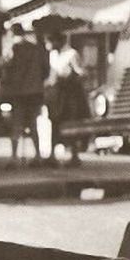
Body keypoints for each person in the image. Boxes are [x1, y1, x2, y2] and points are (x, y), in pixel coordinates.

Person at [0, 23, 50, 168]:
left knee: (17, 124)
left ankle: (14, 158)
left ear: (11, 33)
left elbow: (4, 68)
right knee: (33, 124)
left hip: (18, 91)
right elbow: (45, 70)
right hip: (35, 91)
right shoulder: (35, 49)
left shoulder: (12, 48)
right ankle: (38, 156)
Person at [46, 32, 90, 167]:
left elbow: (81, 72)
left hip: (70, 93)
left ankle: (74, 155)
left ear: (57, 41)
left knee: (71, 123)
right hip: (56, 92)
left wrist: (71, 76)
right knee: (54, 122)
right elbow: (52, 74)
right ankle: (52, 156)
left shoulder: (71, 54)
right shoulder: (52, 55)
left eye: (51, 41)